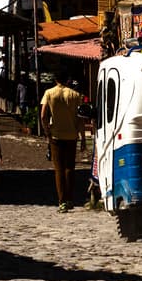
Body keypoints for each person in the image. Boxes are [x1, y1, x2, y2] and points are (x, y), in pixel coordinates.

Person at [40, 72, 84, 212]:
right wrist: (82, 137)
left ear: (55, 79)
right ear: (68, 80)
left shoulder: (49, 93)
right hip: (71, 135)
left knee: (58, 169)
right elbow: (81, 118)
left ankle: (62, 201)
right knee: (70, 168)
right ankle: (70, 199)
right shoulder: (75, 95)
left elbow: (43, 115)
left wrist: (47, 130)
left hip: (56, 136)